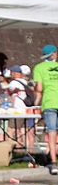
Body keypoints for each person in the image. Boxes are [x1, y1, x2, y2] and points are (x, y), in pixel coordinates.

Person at [34, 44, 58, 175]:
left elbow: (39, 89)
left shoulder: (39, 68)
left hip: (49, 103)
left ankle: (53, 163)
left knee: (52, 133)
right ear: (53, 54)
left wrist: (35, 104)